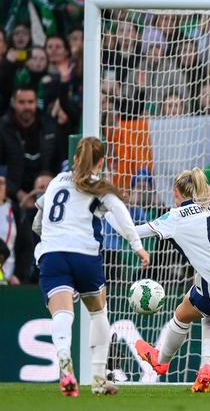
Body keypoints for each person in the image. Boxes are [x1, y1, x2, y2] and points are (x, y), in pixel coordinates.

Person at [112, 168, 210, 393]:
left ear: (175, 192)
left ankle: (161, 360)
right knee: (208, 310)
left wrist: (106, 210)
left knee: (182, 313)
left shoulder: (174, 217)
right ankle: (205, 369)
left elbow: (131, 232)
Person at [32, 137, 149, 396]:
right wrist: (137, 245)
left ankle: (64, 359)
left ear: (75, 159)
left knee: (62, 314)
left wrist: (47, 235)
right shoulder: (99, 187)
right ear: (101, 162)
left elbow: (38, 220)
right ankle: (98, 379)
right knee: (98, 313)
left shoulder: (55, 182)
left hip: (52, 254)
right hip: (85, 255)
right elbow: (120, 212)